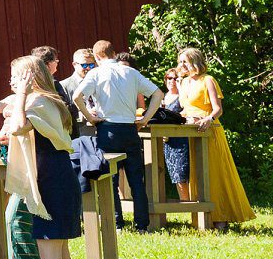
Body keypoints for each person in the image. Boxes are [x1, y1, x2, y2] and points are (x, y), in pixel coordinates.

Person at [0, 54, 95, 259]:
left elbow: (16, 127)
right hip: (56, 179)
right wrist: (18, 99)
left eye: (16, 77)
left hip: (51, 183)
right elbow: (8, 119)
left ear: (29, 78)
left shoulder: (38, 102)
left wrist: (22, 95)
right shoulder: (47, 100)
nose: (11, 82)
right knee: (62, 258)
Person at [74, 43, 162, 231]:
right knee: (136, 180)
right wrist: (145, 119)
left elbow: (76, 97)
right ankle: (142, 225)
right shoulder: (130, 72)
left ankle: (116, 223)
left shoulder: (96, 74)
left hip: (107, 129)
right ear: (114, 53)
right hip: (130, 129)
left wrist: (90, 117)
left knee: (110, 180)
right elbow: (158, 94)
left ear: (97, 57)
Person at [173, 47, 255, 226]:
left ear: (194, 62)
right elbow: (184, 106)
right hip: (191, 132)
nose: (181, 65)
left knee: (215, 173)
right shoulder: (184, 83)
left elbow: (218, 109)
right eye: (180, 62)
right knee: (197, 174)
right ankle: (203, 218)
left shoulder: (208, 80)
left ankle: (222, 216)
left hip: (209, 130)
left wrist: (208, 119)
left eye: (184, 62)